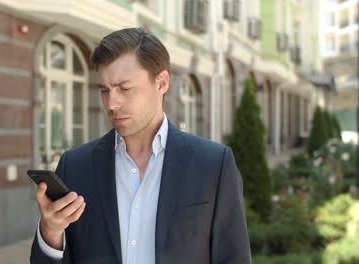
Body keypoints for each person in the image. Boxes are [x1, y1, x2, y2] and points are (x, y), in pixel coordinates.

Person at [30, 28, 251, 264]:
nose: (112, 103)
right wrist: (51, 231)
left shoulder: (213, 164)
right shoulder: (75, 165)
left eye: (125, 89)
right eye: (104, 90)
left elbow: (233, 257)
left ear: (161, 82)